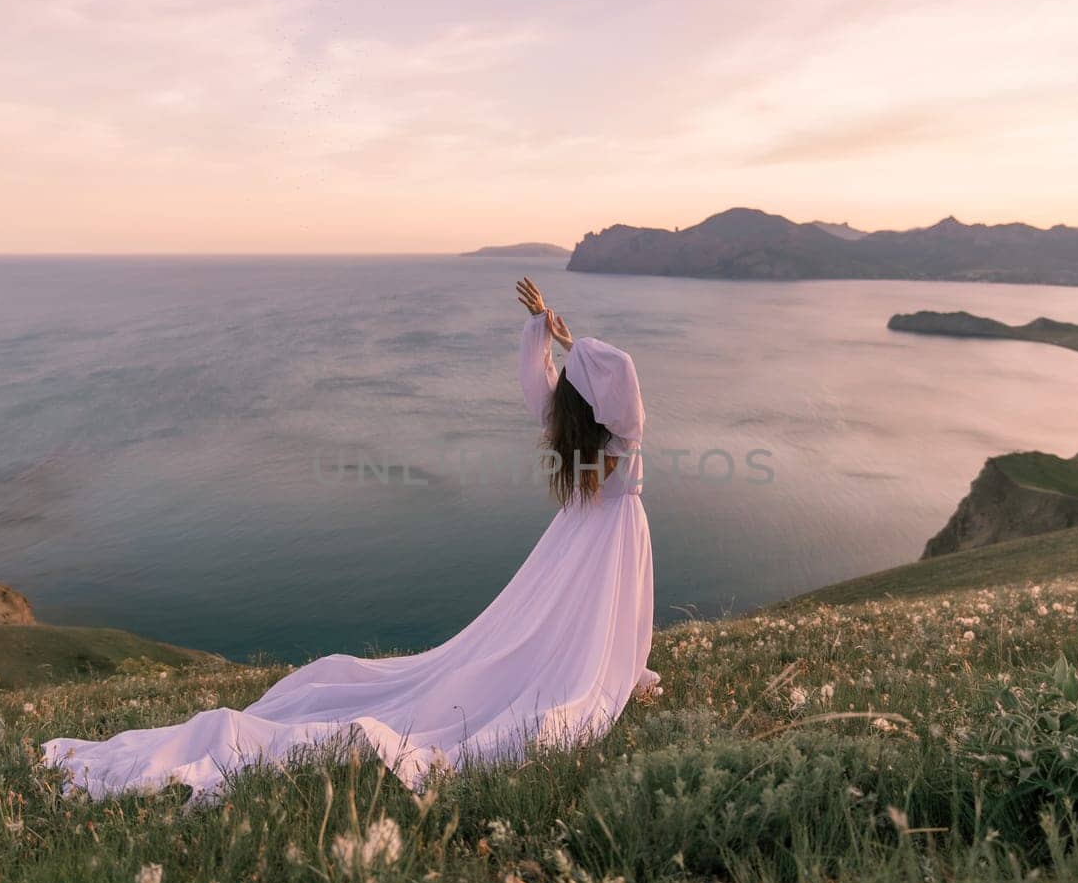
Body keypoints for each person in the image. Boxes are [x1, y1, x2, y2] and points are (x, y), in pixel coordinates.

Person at [40, 277, 657, 797]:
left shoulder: (571, 430)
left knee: (551, 621)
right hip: (606, 542)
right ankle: (612, 669)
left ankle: (608, 668)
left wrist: (546, 340)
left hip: (572, 540)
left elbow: (554, 387)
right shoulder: (620, 442)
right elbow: (621, 387)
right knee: (596, 616)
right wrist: (574, 347)